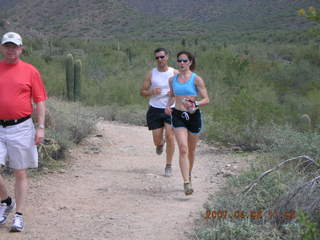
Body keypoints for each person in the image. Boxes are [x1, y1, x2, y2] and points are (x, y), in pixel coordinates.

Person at [0, 32, 47, 232]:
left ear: (21, 48)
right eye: (7, 46)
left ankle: (18, 215)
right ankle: (5, 200)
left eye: (15, 46)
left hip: (21, 127)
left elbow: (40, 101)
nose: (11, 50)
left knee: (20, 171)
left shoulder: (30, 71)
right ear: (3, 48)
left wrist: (41, 127)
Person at [165, 51, 209, 195]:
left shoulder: (197, 79)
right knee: (183, 148)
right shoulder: (172, 80)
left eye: (184, 61)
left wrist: (195, 103)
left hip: (193, 115)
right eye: (179, 61)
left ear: (190, 62)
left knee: (191, 150)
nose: (182, 63)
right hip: (178, 115)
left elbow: (206, 99)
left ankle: (189, 175)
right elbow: (172, 95)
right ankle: (186, 183)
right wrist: (167, 106)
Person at [140, 48, 178, 177]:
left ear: (167, 57)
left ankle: (168, 165)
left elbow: (184, 91)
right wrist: (152, 92)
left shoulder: (174, 73)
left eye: (162, 57)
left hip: (171, 109)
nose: (160, 60)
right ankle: (160, 144)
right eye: (157, 57)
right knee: (157, 139)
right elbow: (142, 92)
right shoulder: (151, 74)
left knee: (170, 136)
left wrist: (173, 93)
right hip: (155, 109)